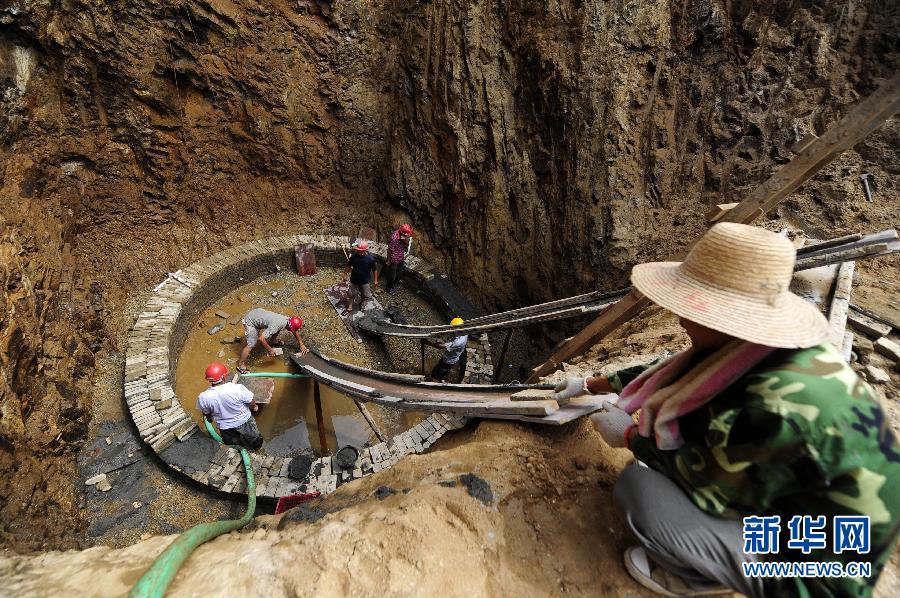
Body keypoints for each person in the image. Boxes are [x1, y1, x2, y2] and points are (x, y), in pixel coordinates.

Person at [550, 223, 900, 597]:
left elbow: (704, 485)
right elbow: (679, 368)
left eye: (691, 308)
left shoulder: (772, 409)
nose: (681, 318)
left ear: (726, 317)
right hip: (818, 515)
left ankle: (702, 576)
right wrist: (593, 384)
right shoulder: (763, 351)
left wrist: (630, 436)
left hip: (823, 568)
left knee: (641, 493)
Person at [197, 362, 263, 450]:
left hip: (225, 427)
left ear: (209, 380)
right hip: (244, 421)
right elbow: (251, 401)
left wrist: (209, 419)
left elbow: (206, 413)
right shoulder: (237, 388)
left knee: (233, 443)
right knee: (254, 439)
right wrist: (254, 407)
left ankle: (239, 451)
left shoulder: (203, 397)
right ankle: (256, 449)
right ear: (224, 377)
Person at [237, 308, 307, 373]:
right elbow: (261, 339)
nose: (292, 331)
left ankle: (272, 341)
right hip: (250, 321)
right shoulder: (276, 325)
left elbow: (295, 331)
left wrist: (302, 344)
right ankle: (240, 365)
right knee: (251, 344)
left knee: (277, 329)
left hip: (257, 314)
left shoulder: (288, 320)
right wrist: (270, 349)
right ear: (290, 326)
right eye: (292, 329)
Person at [342, 241, 378, 316]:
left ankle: (362, 304)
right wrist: (345, 275)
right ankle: (350, 307)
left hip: (365, 280)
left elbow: (375, 270)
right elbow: (348, 266)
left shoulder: (370, 259)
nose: (360, 252)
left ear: (366, 250)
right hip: (354, 279)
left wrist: (375, 280)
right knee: (351, 294)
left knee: (366, 294)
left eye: (362, 251)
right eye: (359, 251)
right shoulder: (354, 256)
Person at [428, 317, 468, 382]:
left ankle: (438, 379)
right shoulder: (463, 330)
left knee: (439, 370)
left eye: (453, 328)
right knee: (445, 368)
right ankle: (445, 375)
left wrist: (428, 343)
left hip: (449, 359)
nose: (451, 329)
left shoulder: (459, 342)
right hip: (453, 356)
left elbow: (441, 346)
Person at [383, 223, 413, 294]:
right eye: (406, 234)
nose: (408, 235)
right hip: (394, 259)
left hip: (401, 257)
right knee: (392, 274)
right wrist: (388, 261)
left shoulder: (403, 236)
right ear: (403, 233)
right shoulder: (394, 238)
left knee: (400, 272)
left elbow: (406, 245)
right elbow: (389, 250)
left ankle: (396, 284)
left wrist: (405, 240)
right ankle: (389, 287)